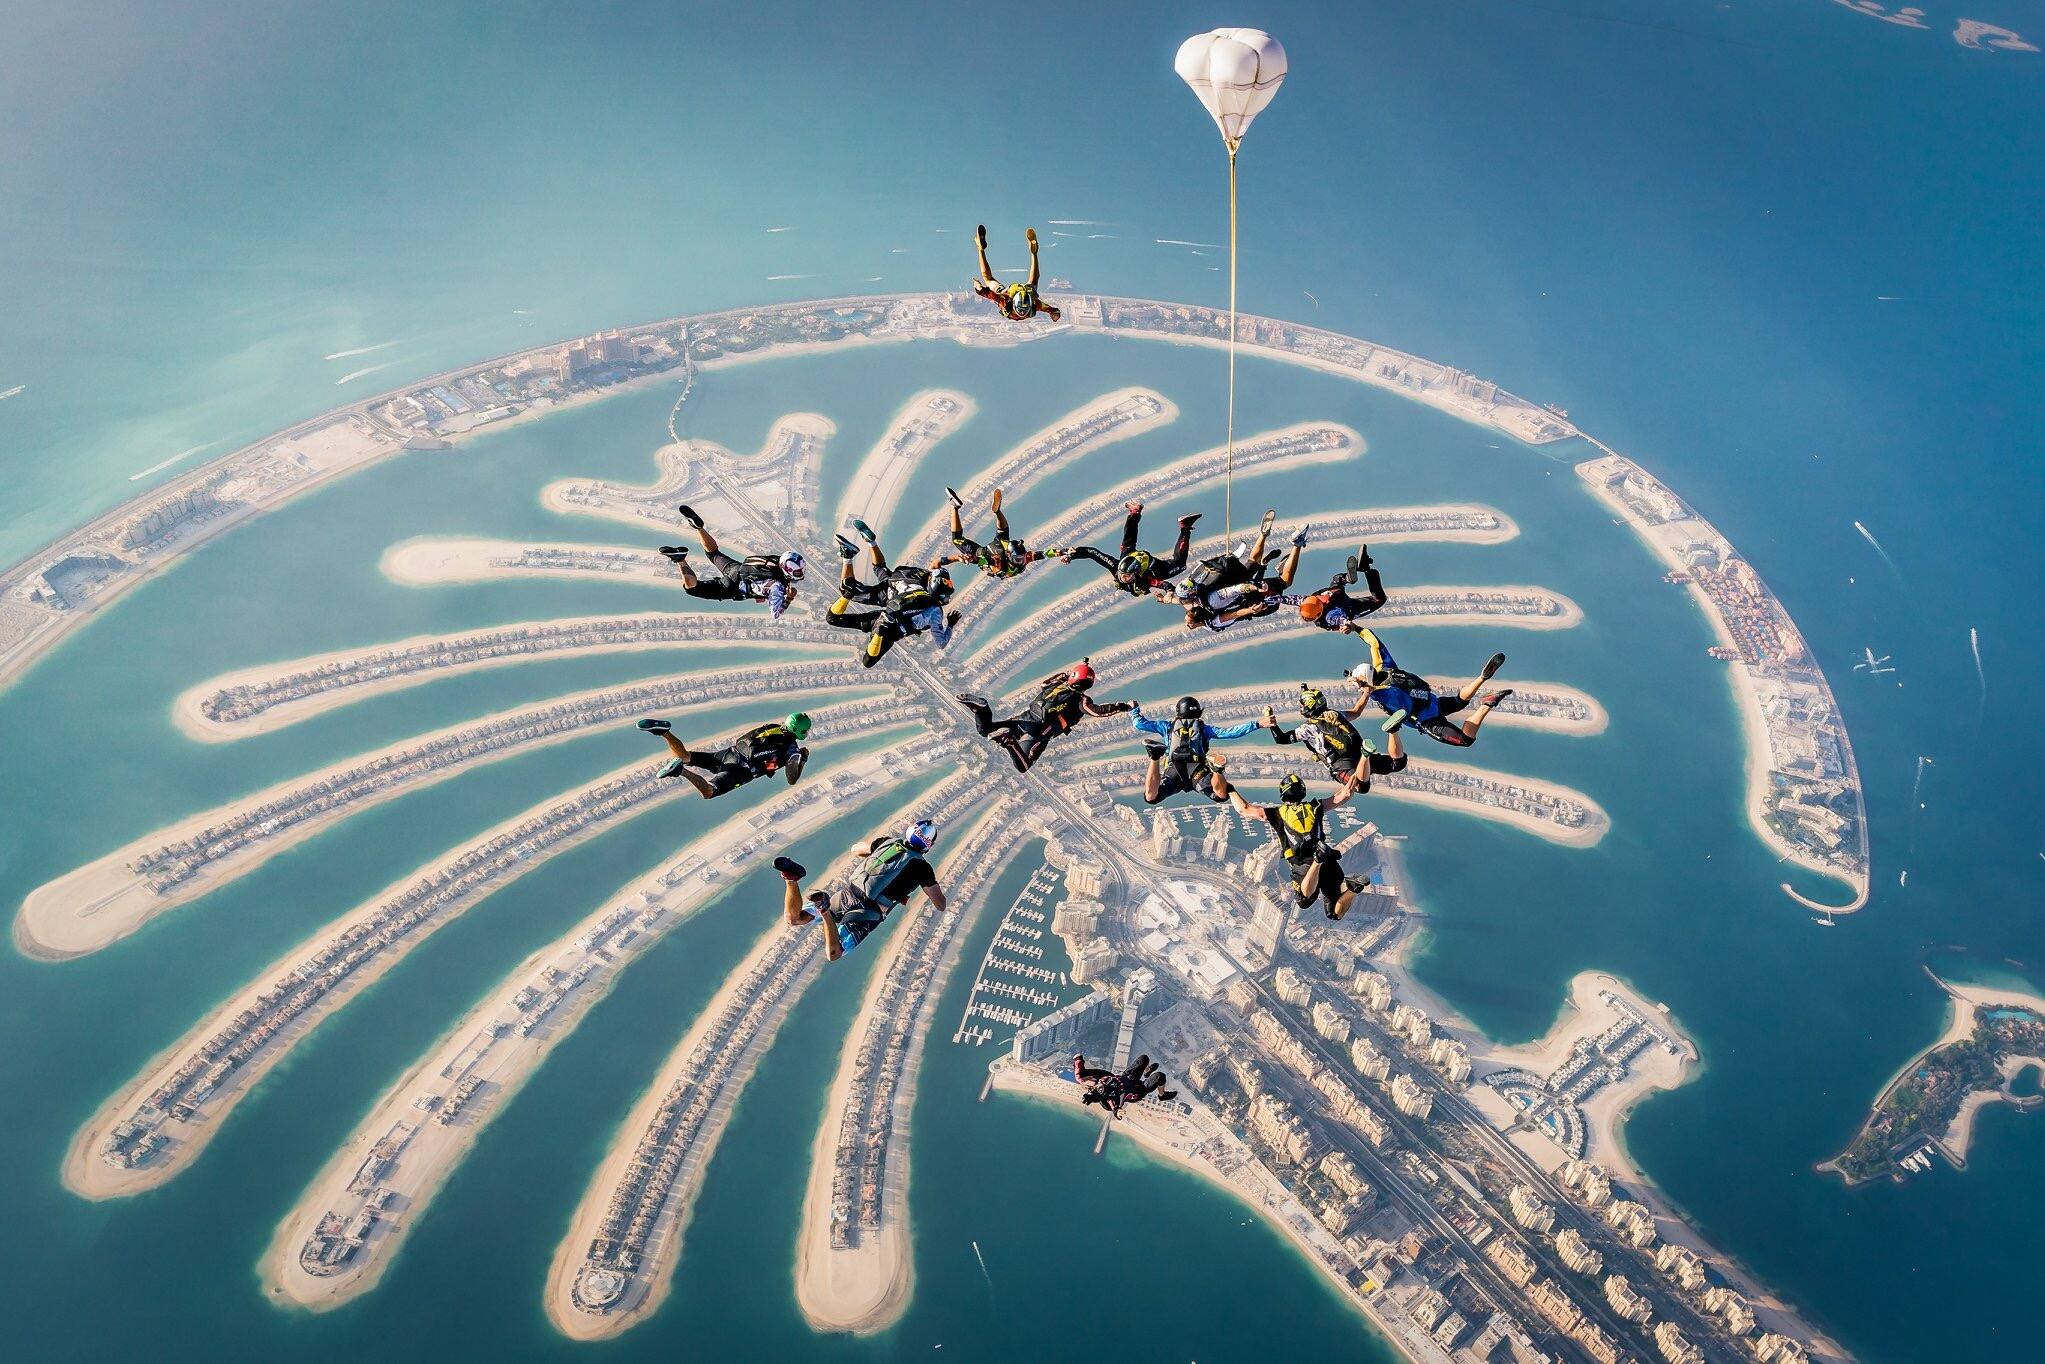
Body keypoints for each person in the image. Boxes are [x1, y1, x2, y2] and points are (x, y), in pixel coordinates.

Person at [772, 820, 947, 962]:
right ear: (928, 845)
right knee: (834, 953)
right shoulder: (922, 869)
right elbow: (940, 904)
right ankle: (824, 910)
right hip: (867, 912)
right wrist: (927, 883)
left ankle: (790, 878)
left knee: (793, 918)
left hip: (847, 894)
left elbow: (855, 849)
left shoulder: (888, 843)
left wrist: (875, 855)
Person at [1219, 769, 1373, 920]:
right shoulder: (1315, 806)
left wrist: (1230, 789)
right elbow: (1345, 795)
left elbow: (1244, 809)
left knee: (1304, 900)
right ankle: (1353, 889)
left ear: (1283, 794)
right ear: (1302, 790)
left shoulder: (1277, 814)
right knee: (1334, 913)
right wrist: (1357, 770)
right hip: (1329, 860)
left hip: (1304, 863)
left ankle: (1317, 861)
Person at [954, 659, 1132, 773]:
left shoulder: (1056, 685)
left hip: (1023, 719)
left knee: (985, 729)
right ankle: (1009, 742)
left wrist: (1063, 676)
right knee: (1023, 765)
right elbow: (1097, 711)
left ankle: (981, 708)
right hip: (1039, 732)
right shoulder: (1081, 700)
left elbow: (1043, 684)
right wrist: (1123, 707)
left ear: (1073, 676)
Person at [825, 517, 958, 667]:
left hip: (893, 585)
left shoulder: (926, 578)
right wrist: (951, 624)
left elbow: (936, 563)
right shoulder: (935, 612)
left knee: (879, 568)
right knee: (868, 661)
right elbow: (941, 643)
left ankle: (870, 543)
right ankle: (848, 563)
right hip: (889, 621)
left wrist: (956, 558)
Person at [1348, 627, 1512, 748]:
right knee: (1459, 701)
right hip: (1433, 703)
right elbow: (1374, 643)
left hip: (1428, 721)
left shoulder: (1383, 693)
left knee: (1465, 740)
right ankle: (1481, 678)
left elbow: (1371, 691)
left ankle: (1486, 704)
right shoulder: (1386, 668)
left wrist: (1362, 684)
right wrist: (1355, 628)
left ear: (1366, 682)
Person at [658, 504, 804, 619]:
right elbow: (775, 614)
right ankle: (680, 559)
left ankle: (699, 528)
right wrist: (789, 599)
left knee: (713, 553)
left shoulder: (774, 562)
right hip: (732, 587)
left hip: (738, 569)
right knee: (693, 589)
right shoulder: (777, 587)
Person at [1175, 512, 1308, 630]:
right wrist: (1167, 593)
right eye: (1188, 622)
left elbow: (1235, 597)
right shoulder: (1196, 600)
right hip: (1237, 579)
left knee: (1284, 582)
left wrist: (1253, 590)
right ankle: (1263, 535)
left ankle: (1297, 544)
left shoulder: (1212, 608)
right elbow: (1179, 601)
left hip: (1249, 595)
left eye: (1189, 623)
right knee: (1253, 562)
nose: (1187, 626)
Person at [638, 712, 811, 799]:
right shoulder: (792, 750)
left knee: (686, 756)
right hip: (741, 770)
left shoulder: (773, 727)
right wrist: (802, 759)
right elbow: (792, 779)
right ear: (800, 731)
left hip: (730, 753)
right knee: (709, 792)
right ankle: (680, 771)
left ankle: (664, 732)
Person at [1129, 695, 1261, 804]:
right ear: (1198, 712)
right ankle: (1217, 770)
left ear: (1178, 712)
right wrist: (1257, 724)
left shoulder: (1167, 726)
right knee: (1220, 795)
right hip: (1198, 771)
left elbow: (1139, 724)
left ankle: (1155, 756)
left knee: (1151, 797)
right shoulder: (1204, 729)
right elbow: (1230, 733)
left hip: (1174, 770)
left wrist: (1134, 710)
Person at [1264, 685, 1406, 786]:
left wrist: (1271, 722)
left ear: (1309, 706)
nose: (1301, 707)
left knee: (1360, 786)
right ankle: (1393, 731)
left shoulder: (1308, 728)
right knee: (1398, 763)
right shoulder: (1335, 714)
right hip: (1356, 750)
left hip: (1343, 765)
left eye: (1302, 705)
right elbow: (1356, 711)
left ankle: (1365, 755)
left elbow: (1281, 738)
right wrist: (1367, 693)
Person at [1061, 501, 1201, 598]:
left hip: (1155, 568)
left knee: (1180, 565)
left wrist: (1169, 592)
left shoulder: (1144, 579)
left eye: (1127, 576)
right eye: (1123, 575)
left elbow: (1165, 584)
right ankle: (1135, 511)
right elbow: (1092, 553)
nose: (1123, 578)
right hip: (1129, 555)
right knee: (1128, 539)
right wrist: (1073, 555)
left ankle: (1185, 527)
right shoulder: (1116, 567)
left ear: (1136, 573)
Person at [937, 486, 1050, 580]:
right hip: (986, 552)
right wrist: (969, 558)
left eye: (1020, 559)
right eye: (1018, 559)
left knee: (1003, 532)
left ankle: (998, 512)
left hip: (998, 548)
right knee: (956, 539)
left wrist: (1059, 552)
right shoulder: (1000, 565)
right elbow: (981, 559)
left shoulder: (1026, 558)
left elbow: (1044, 554)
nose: (1020, 561)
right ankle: (955, 507)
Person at [972, 224, 1063, 322]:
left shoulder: (1007, 302)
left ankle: (981, 249)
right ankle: (1034, 253)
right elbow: (1048, 309)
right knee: (989, 279)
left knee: (1033, 280)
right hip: (1014, 292)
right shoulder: (1030, 304)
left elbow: (990, 294)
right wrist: (980, 289)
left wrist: (980, 289)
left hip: (1017, 292)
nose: (1022, 313)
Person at [1298, 545, 1389, 633]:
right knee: (1337, 579)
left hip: (1347, 607)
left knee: (1379, 600)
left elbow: (1340, 621)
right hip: (1335, 596)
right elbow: (1290, 599)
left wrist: (1346, 626)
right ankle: (1349, 577)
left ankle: (1365, 569)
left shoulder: (1325, 620)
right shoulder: (1305, 600)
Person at [1073, 1053, 1176, 1118]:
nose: (1099, 1086)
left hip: (1127, 1077)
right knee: (1159, 1076)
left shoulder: (1096, 1082)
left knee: (1143, 1059)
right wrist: (1117, 1111)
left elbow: (1080, 1076)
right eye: (1099, 1089)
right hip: (1137, 1090)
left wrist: (1078, 1061)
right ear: (1102, 1095)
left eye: (1095, 1088)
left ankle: (1147, 1072)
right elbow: (1114, 1107)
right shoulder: (1109, 1098)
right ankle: (1162, 1095)